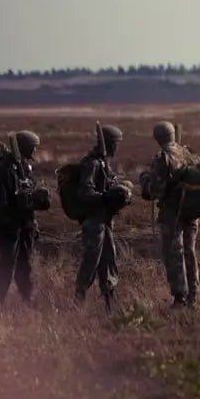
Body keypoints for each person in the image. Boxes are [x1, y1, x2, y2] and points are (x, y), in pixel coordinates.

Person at [141, 121, 200, 308]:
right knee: (190, 252)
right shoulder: (188, 153)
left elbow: (156, 190)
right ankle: (193, 295)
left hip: (172, 213)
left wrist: (144, 180)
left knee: (174, 254)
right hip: (192, 211)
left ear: (158, 138)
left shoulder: (163, 157)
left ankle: (180, 297)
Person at [74, 124, 125, 312]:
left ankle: (110, 300)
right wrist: (104, 197)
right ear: (110, 143)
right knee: (91, 260)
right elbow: (84, 191)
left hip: (105, 220)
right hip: (94, 221)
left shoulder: (105, 163)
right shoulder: (92, 164)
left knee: (108, 260)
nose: (117, 147)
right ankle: (79, 298)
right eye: (116, 143)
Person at [0, 131, 42, 303]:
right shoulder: (4, 168)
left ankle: (27, 298)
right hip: (10, 226)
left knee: (25, 263)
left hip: (25, 223)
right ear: (25, 148)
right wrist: (10, 217)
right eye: (33, 148)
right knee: (7, 262)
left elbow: (28, 191)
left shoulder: (24, 167)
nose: (35, 152)